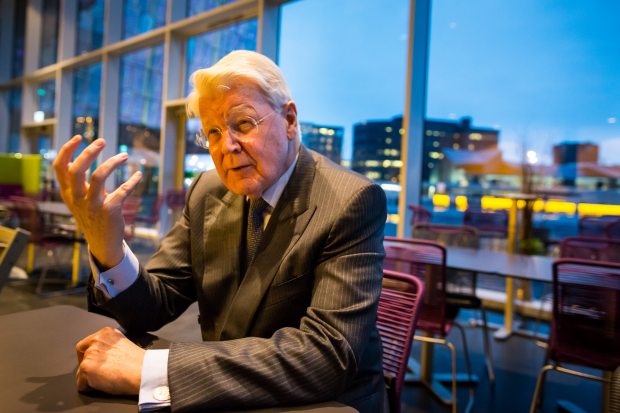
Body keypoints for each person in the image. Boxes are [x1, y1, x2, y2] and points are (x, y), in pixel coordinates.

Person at [54, 50, 387, 412]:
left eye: (243, 124)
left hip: (325, 404)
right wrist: (107, 247)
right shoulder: (207, 192)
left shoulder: (350, 201)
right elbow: (156, 304)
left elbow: (327, 355)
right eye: (212, 132)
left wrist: (151, 369)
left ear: (289, 120)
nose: (226, 147)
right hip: (225, 394)